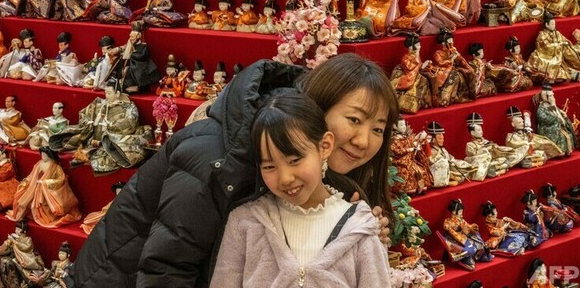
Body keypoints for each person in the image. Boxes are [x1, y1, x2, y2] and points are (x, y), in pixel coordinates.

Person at [74, 54, 397, 287]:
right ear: (319, 107)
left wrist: (355, 230)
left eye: (378, 129)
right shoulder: (219, 155)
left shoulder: (310, 163)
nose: (363, 141)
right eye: (354, 120)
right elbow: (167, 265)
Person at [210, 89, 389, 285]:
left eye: (295, 160)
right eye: (269, 166)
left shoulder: (361, 229)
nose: (285, 178)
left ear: (325, 146)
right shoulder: (245, 223)